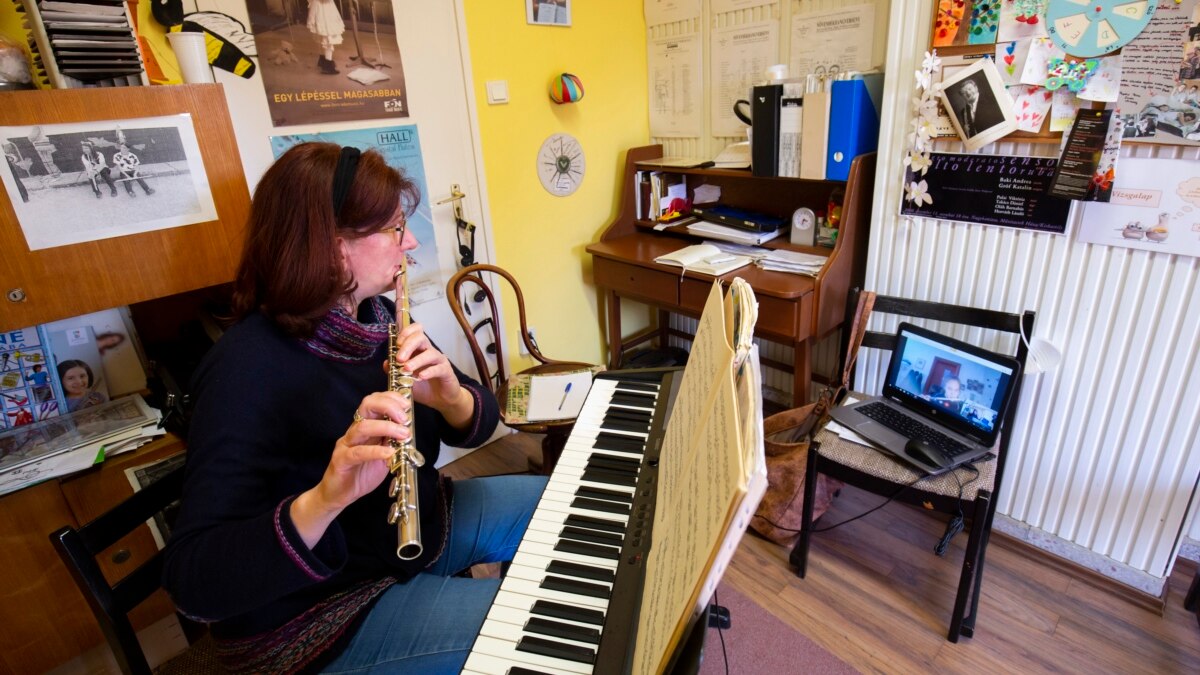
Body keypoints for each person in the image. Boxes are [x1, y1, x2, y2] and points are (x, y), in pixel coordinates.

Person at [162, 143, 547, 674]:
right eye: (393, 229)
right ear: (331, 245)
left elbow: (481, 420)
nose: (409, 243)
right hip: (317, 614)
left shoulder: (377, 315)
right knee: (539, 627)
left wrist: (450, 397)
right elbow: (195, 584)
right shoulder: (244, 371)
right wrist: (324, 498)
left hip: (407, 536)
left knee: (579, 508)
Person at [307, 0, 344, 75]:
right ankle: (328, 65)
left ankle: (323, 59)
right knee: (328, 37)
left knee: (322, 35)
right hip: (323, 11)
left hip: (322, 9)